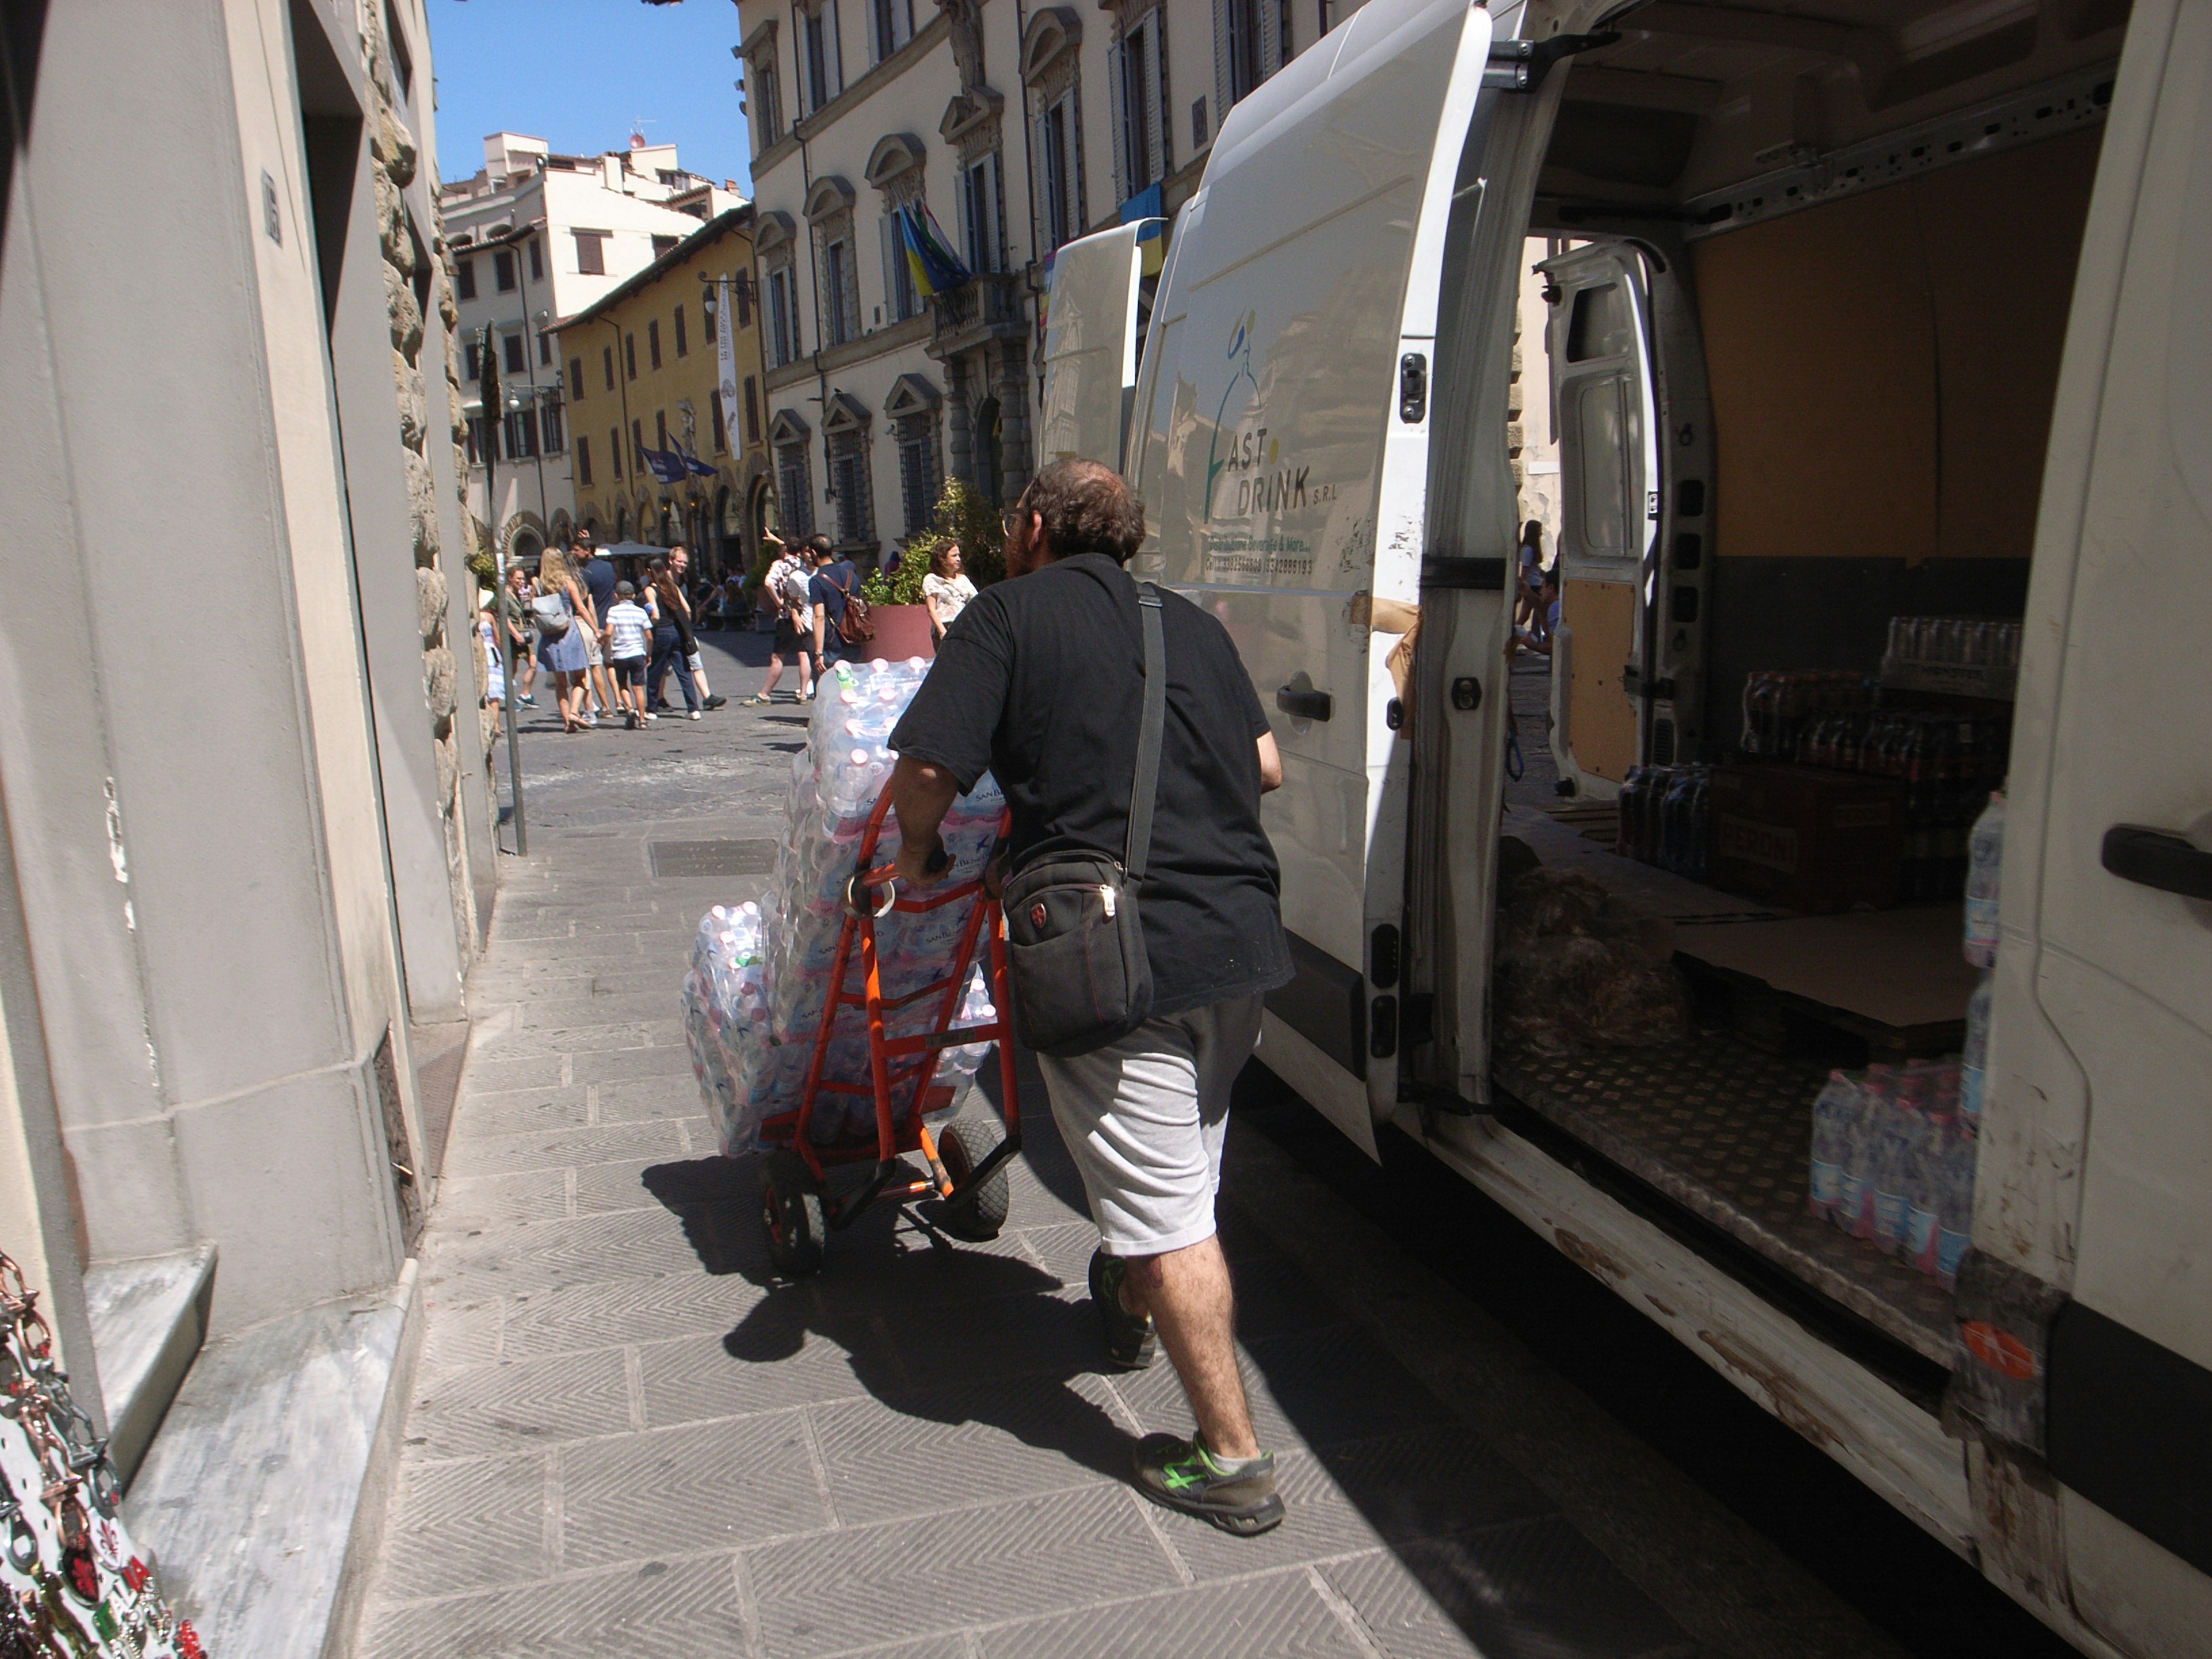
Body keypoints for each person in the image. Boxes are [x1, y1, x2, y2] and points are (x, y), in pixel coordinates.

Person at [885, 460, 1292, 1537]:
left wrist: (918, 859)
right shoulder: (1191, 625)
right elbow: (1266, 766)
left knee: (1168, 1223)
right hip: (1239, 945)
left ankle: (1234, 1460)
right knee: (1182, 1165)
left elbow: (924, 774)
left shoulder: (1007, 617)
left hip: (1116, 959)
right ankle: (1126, 1292)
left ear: (1028, 527)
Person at [744, 532, 812, 706]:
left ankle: (765, 694)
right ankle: (803, 693)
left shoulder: (780, 565)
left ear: (785, 549)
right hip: (804, 613)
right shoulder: (804, 564)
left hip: (787, 614)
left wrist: (779, 602)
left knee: (778, 657)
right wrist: (778, 541)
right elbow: (792, 548)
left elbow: (768, 583)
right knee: (803, 654)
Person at [532, 545, 593, 732]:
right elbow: (581, 608)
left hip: (550, 636)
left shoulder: (538, 584)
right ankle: (574, 712)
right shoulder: (568, 582)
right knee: (581, 678)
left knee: (560, 682)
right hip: (569, 633)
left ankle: (568, 722)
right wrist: (595, 630)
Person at [665, 545, 726, 709]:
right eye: (679, 561)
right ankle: (657, 699)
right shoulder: (664, 580)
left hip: (685, 629)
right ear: (670, 561)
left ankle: (707, 697)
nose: (682, 565)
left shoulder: (684, 580)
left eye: (684, 562)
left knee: (695, 661)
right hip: (669, 628)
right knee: (662, 668)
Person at [646, 560, 702, 719]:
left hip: (662, 632)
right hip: (677, 631)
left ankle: (651, 708)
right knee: (684, 671)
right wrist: (686, 628)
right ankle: (693, 709)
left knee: (655, 670)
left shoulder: (651, 589)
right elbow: (687, 609)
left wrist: (649, 626)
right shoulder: (673, 587)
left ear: (649, 572)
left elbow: (655, 614)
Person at [575, 531, 619, 725]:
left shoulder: (584, 573)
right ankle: (619, 701)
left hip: (594, 623)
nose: (574, 553)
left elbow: (586, 600)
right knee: (610, 664)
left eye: (577, 550)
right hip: (611, 621)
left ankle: (604, 706)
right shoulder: (609, 567)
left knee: (594, 667)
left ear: (587, 551)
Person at [601, 579, 653, 728]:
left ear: (616, 595)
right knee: (638, 687)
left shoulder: (613, 611)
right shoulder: (641, 611)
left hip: (620, 654)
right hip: (637, 652)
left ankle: (630, 709)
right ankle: (642, 720)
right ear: (634, 596)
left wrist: (601, 639)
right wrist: (648, 653)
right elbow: (649, 637)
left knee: (623, 684)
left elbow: (609, 632)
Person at [808, 535, 858, 677]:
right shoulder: (851, 575)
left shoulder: (816, 581)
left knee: (829, 691)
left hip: (832, 643)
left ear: (813, 552)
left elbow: (819, 617)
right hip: (854, 639)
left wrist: (818, 653)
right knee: (851, 688)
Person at [921, 542, 976, 642]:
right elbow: (931, 610)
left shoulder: (963, 580)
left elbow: (975, 603)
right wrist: (942, 632)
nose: (958, 559)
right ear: (943, 559)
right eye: (954, 556)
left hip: (964, 629)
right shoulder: (932, 580)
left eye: (959, 555)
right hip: (946, 627)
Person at [498, 565, 536, 706]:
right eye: (518, 579)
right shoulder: (505, 596)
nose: (522, 582)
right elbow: (504, 618)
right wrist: (516, 635)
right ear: (510, 578)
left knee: (533, 663)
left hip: (520, 634)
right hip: (512, 636)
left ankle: (525, 695)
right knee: (512, 669)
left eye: (523, 579)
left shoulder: (517, 594)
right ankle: (510, 698)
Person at [1513, 520, 1547, 639]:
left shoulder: (1528, 549)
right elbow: (1525, 571)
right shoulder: (1528, 550)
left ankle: (1513, 640)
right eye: (1539, 532)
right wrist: (1522, 588)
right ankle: (1512, 639)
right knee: (1526, 616)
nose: (1541, 534)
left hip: (1534, 585)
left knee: (1525, 616)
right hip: (1532, 586)